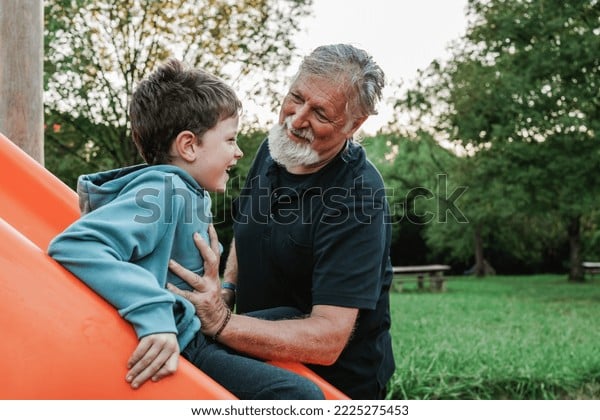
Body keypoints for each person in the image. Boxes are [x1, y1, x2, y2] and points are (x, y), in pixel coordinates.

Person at [47, 58, 324, 400]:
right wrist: (155, 314)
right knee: (300, 396)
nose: (238, 152)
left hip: (193, 324)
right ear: (189, 146)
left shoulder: (185, 190)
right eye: (230, 139)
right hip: (181, 341)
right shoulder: (164, 191)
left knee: (293, 315)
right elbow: (78, 245)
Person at [168, 44, 395, 399]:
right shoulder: (276, 147)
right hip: (255, 355)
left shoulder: (358, 195)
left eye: (320, 113)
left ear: (355, 124)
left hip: (332, 386)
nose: (297, 119)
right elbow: (249, 229)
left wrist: (222, 322)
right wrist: (228, 292)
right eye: (296, 97)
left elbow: (328, 339)